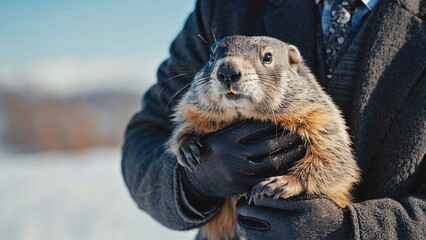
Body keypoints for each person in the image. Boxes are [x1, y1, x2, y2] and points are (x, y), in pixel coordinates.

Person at [122, 0, 426, 239]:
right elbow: (146, 138)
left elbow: (333, 157)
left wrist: (350, 231)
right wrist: (192, 180)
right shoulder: (222, 8)